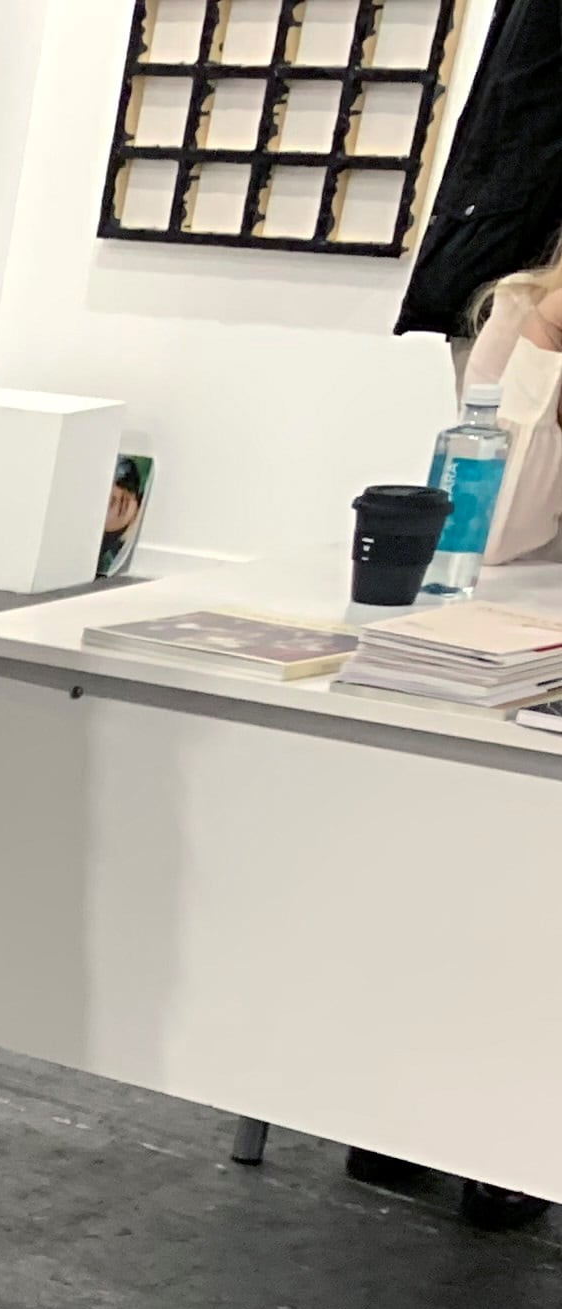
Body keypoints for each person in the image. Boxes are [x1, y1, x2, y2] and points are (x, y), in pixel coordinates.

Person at [347, 241, 562, 1232]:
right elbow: (500, 526)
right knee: (464, 826)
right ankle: (430, 1103)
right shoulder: (519, 314)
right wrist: (548, 340)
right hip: (518, 640)